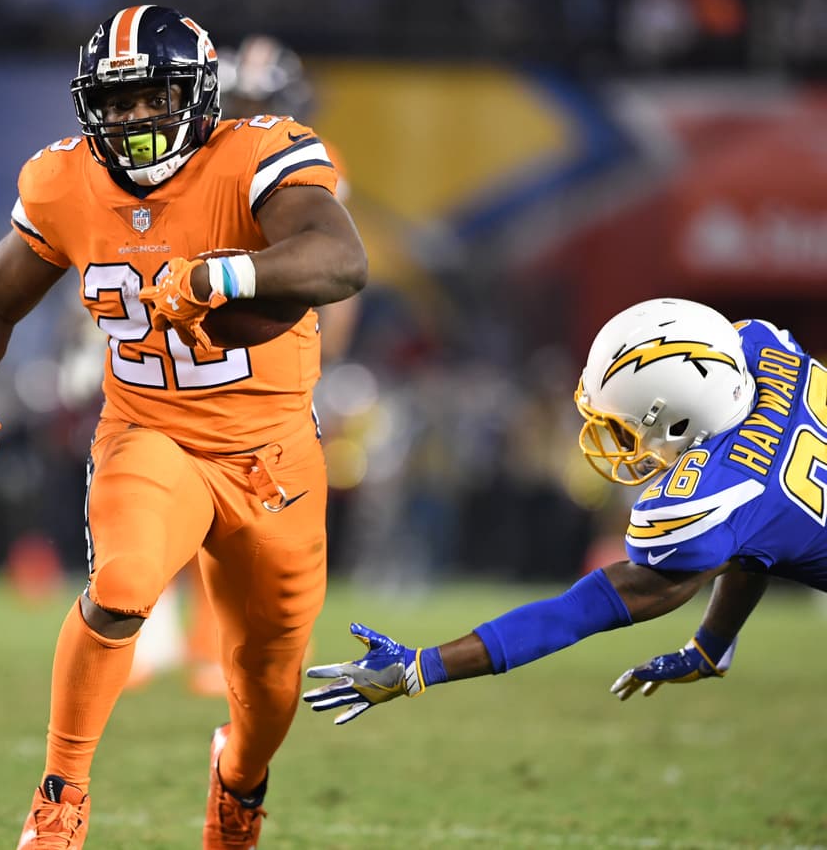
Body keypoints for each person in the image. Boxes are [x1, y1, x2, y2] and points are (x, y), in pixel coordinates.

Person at [0, 5, 366, 847]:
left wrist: (219, 276)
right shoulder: (64, 180)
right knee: (120, 587)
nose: (132, 121)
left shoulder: (257, 153)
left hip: (274, 458)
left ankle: (239, 779)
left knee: (268, 684)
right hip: (152, 434)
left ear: (195, 95)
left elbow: (341, 260)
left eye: (151, 98)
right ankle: (59, 797)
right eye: (113, 104)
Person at [302, 297, 827, 726]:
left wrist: (422, 667)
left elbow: (587, 608)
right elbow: (752, 535)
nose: (617, 441)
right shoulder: (763, 353)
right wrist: (711, 644)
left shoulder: (716, 498)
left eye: (624, 427)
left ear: (677, 421)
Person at [129, 31, 360, 699]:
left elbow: (334, 266)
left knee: (253, 506)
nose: (256, 116)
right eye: (247, 101)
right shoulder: (187, 159)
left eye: (267, 102)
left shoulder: (307, 160)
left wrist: (328, 354)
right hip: (190, 340)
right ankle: (160, 627)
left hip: (265, 345)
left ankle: (221, 640)